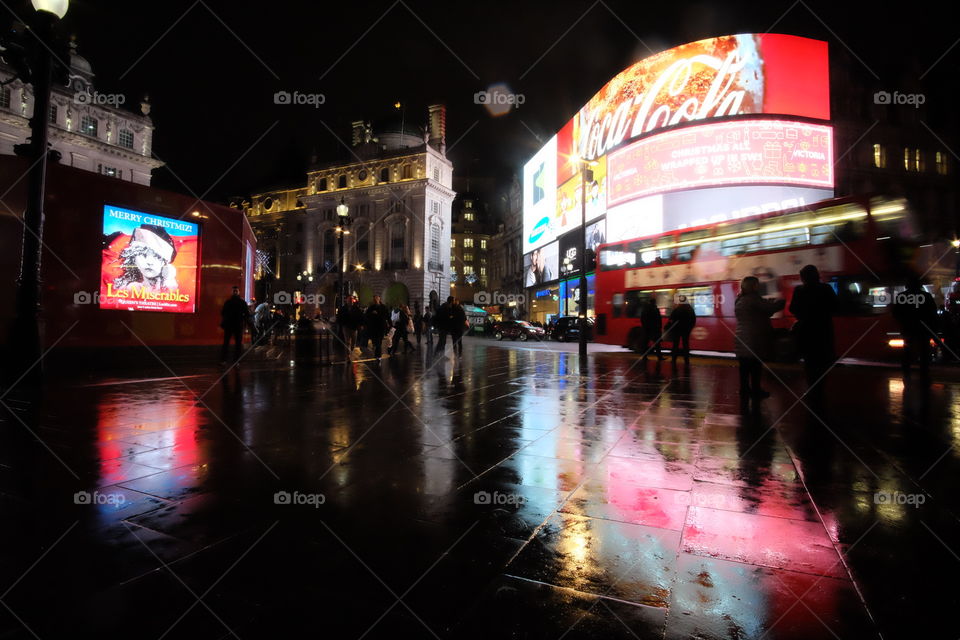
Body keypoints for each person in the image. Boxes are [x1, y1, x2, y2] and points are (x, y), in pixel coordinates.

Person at [789, 265, 837, 399]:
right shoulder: (826, 289)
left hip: (806, 331)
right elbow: (835, 306)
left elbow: (793, 308)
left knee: (809, 363)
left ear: (803, 278)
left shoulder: (799, 290)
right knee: (822, 362)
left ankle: (812, 388)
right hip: (823, 330)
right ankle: (820, 389)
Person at [735, 276, 785, 402]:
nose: (758, 286)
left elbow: (760, 312)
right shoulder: (753, 299)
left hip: (741, 338)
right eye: (757, 284)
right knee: (756, 368)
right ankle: (756, 391)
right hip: (753, 339)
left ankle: (745, 391)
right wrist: (781, 302)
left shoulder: (740, 300)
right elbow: (770, 309)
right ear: (753, 286)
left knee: (744, 369)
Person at [892, 276, 937, 383]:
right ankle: (924, 374)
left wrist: (904, 323)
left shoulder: (902, 296)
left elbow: (896, 313)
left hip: (908, 329)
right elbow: (932, 313)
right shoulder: (926, 296)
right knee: (924, 352)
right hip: (923, 329)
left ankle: (906, 373)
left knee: (907, 351)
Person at [113, 224, 179, 293]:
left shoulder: (170, 288)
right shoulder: (125, 289)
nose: (149, 262)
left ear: (164, 262)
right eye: (143, 255)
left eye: (157, 257)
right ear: (134, 257)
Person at [220, 286, 250, 364]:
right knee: (238, 344)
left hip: (229, 325)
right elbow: (247, 314)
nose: (235, 292)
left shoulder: (228, 302)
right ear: (238, 292)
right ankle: (236, 361)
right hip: (238, 325)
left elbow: (223, 313)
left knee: (226, 343)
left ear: (232, 292)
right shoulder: (242, 302)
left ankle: (224, 360)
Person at [666, 295, 696, 364]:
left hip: (677, 330)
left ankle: (674, 359)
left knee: (675, 345)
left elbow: (671, 319)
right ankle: (686, 360)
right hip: (686, 330)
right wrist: (690, 328)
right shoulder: (690, 309)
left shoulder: (677, 309)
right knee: (686, 345)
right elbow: (693, 320)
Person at [364, 295, 390, 359]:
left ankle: (378, 355)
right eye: (374, 299)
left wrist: (390, 324)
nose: (375, 300)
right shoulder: (371, 307)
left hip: (381, 327)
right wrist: (371, 313)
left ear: (379, 299)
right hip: (373, 327)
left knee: (379, 341)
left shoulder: (383, 307)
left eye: (377, 298)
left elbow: (386, 316)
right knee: (375, 342)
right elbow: (366, 316)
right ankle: (377, 353)